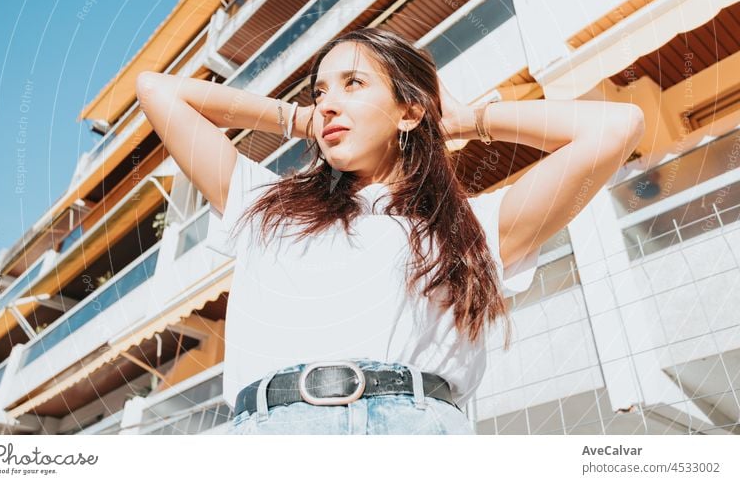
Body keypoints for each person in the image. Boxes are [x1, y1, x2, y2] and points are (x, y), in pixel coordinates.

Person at [136, 27, 645, 434]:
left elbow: (617, 127)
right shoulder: (264, 203)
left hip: (415, 432)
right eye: (320, 91)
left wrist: (468, 120)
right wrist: (296, 117)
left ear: (409, 110)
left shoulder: (474, 224)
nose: (328, 103)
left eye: (353, 84)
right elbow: (157, 90)